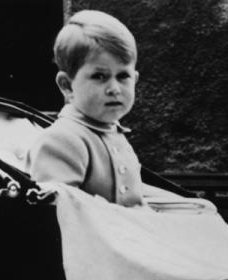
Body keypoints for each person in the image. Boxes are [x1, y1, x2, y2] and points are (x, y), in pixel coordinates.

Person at [27, 10, 144, 207]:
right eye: (99, 76)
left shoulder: (114, 132)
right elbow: (61, 215)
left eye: (123, 76)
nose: (114, 89)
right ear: (67, 85)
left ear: (136, 79)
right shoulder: (62, 140)